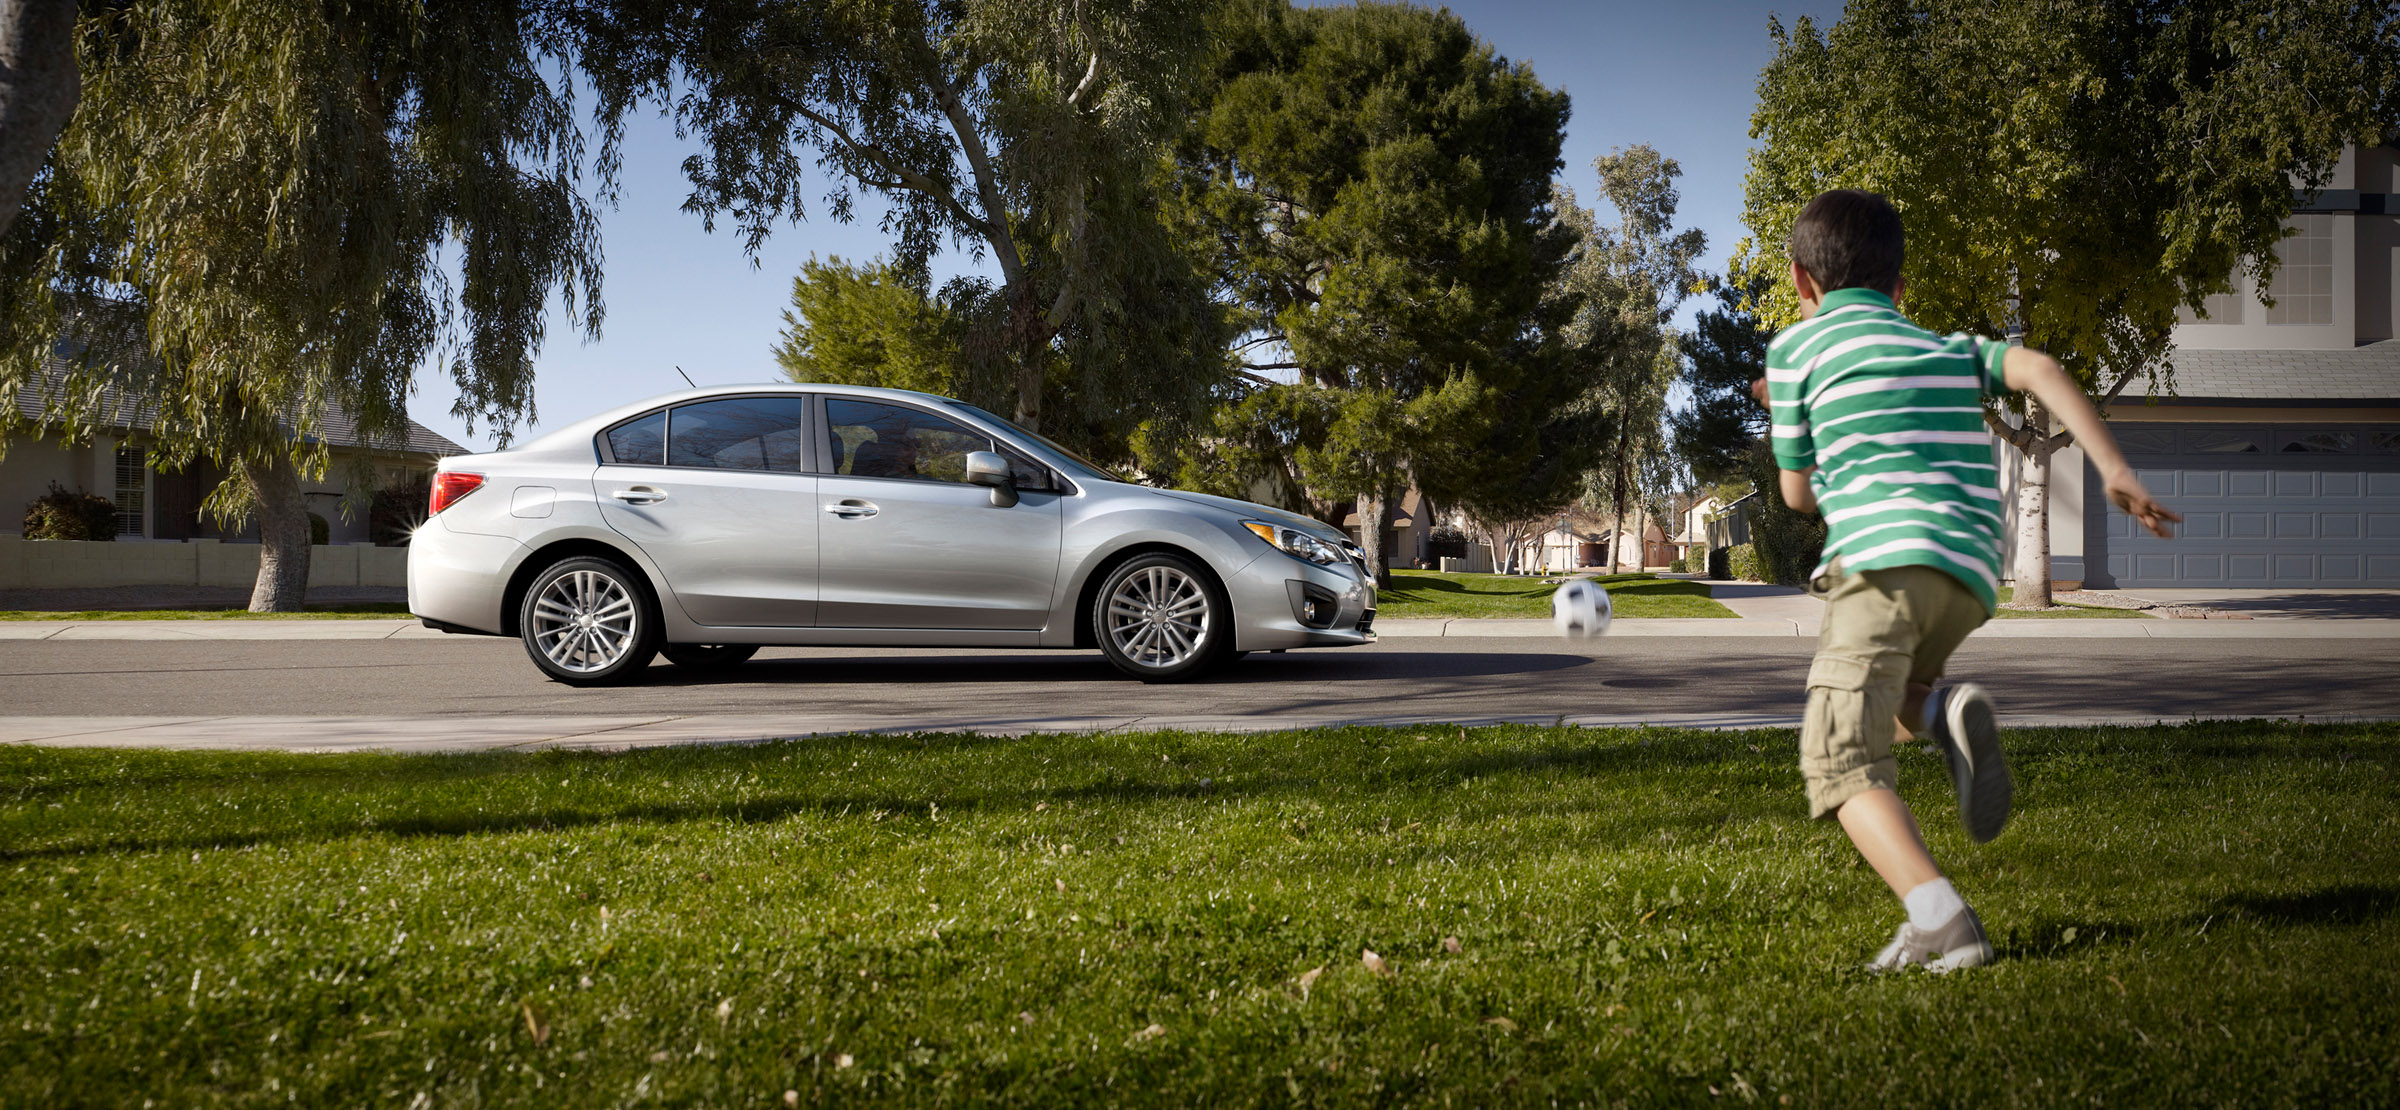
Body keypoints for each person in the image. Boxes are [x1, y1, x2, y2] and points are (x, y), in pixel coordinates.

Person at [1753, 189, 2180, 972]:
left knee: (1838, 756)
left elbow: (1796, 497)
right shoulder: (1945, 348)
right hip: (1969, 574)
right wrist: (2115, 470)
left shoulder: (1795, 354)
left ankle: (1941, 917)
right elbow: (2039, 368)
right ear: (1900, 289)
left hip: (1880, 566)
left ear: (1798, 282)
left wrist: (1795, 416)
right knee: (1897, 701)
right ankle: (1942, 707)